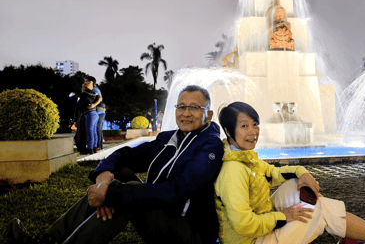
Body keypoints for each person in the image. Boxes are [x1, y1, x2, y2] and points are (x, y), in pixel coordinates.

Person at [6, 85, 224, 244]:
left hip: (189, 231)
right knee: (120, 179)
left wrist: (113, 194)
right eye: (182, 106)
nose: (186, 113)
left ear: (208, 115)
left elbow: (176, 192)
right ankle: (48, 240)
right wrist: (104, 180)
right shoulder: (168, 138)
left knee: (125, 199)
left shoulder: (211, 146)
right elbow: (124, 155)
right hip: (160, 214)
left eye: (194, 108)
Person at [214, 101, 365, 244]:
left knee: (296, 184)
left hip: (260, 222)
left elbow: (273, 173)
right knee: (321, 210)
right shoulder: (233, 171)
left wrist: (302, 172)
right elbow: (243, 225)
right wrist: (282, 217)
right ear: (228, 131)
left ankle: (350, 232)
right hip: (250, 241)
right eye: (244, 126)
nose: (253, 132)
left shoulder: (245, 158)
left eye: (255, 124)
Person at [74, 78, 100, 154]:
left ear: (85, 87)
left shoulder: (84, 94)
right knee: (94, 132)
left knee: (90, 132)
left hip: (89, 114)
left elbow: (80, 106)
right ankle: (95, 147)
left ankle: (90, 148)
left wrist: (76, 118)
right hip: (95, 113)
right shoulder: (94, 94)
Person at [86, 76, 106, 151]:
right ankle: (98, 145)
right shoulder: (90, 90)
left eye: (87, 81)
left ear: (91, 82)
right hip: (97, 111)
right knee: (96, 129)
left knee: (98, 129)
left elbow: (100, 98)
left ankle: (99, 145)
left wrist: (94, 105)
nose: (85, 82)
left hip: (99, 112)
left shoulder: (94, 89)